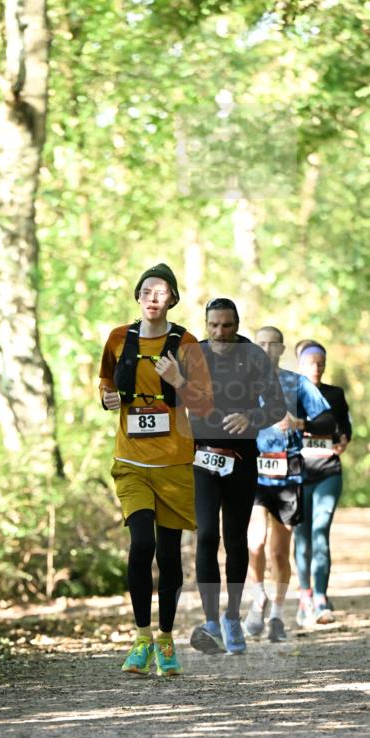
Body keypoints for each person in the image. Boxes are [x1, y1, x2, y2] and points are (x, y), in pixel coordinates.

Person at [99, 262, 213, 677]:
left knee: (168, 553)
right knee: (141, 543)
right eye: (147, 290)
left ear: (173, 299)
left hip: (175, 461)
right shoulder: (117, 339)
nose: (153, 297)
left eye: (161, 292)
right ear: (138, 296)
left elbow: (204, 404)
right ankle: (141, 637)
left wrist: (179, 380)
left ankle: (166, 639)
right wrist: (108, 399)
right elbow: (107, 383)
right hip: (131, 461)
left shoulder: (186, 343)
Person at [188, 299, 286, 655]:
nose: (220, 333)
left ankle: (231, 616)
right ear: (206, 324)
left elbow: (276, 406)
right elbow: (170, 395)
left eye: (227, 326)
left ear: (237, 324)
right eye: (213, 325)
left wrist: (251, 417)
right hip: (201, 459)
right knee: (206, 536)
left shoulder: (253, 357)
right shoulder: (193, 354)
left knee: (234, 539)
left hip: (241, 460)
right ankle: (211, 620)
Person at [244, 327, 334, 642]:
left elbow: (327, 421)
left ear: (281, 349)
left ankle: (277, 615)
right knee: (253, 544)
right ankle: (257, 599)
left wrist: (299, 423)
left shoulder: (297, 383)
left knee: (279, 553)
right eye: (261, 344)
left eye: (273, 344)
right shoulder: (242, 383)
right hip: (253, 473)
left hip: (288, 474)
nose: (267, 349)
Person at [293, 341, 352, 625]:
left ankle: (320, 597)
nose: (316, 367)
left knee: (320, 533)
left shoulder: (335, 394)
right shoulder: (291, 394)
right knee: (302, 538)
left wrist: (342, 440)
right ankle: (304, 594)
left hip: (329, 470)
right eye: (311, 362)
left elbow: (344, 428)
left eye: (321, 362)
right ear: (301, 365)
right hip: (298, 474)